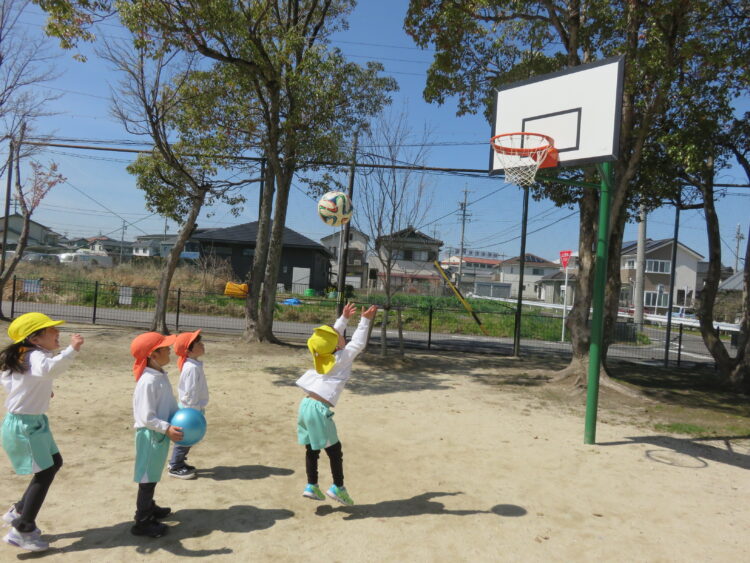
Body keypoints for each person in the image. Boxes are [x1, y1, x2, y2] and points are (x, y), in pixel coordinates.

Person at [1, 313, 84, 552]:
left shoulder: (25, 355)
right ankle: (22, 529)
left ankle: (19, 510)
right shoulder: (35, 355)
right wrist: (72, 350)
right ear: (34, 338)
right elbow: (48, 370)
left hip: (34, 422)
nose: (57, 332)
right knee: (45, 472)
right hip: (25, 426)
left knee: (54, 462)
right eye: (51, 330)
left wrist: (39, 390)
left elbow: (13, 382)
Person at [296, 302, 377, 506]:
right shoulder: (342, 357)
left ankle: (311, 485)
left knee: (312, 449)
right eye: (339, 335)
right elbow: (357, 343)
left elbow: (327, 340)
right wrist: (365, 320)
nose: (341, 334)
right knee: (334, 450)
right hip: (318, 410)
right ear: (338, 345)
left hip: (306, 405)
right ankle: (338, 488)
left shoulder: (322, 355)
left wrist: (344, 319)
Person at [130, 331, 183, 538]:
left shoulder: (159, 375)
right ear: (153, 355)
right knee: (147, 478)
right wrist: (166, 428)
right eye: (165, 348)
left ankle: (149, 507)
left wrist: (178, 417)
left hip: (159, 433)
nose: (170, 350)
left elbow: (168, 404)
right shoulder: (148, 381)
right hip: (150, 435)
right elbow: (146, 417)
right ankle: (142, 521)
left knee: (153, 473)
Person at [168, 330, 207, 480]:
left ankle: (179, 462)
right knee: (184, 440)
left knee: (188, 439)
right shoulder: (191, 368)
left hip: (193, 409)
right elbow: (190, 394)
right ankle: (175, 466)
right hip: (189, 411)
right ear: (188, 351)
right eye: (198, 343)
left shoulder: (194, 365)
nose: (202, 345)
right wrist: (193, 413)